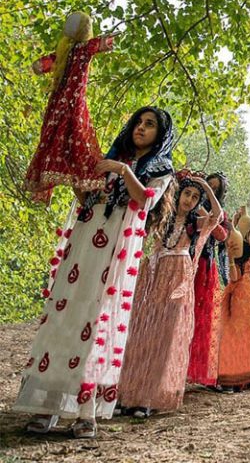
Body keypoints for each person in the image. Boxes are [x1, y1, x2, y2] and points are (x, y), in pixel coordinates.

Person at [14, 106, 175, 439]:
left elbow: (143, 201)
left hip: (115, 253)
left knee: (96, 320)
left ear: (160, 134)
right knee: (67, 317)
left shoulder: (160, 168)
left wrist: (122, 170)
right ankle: (49, 407)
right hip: (85, 245)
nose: (141, 129)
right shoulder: (110, 158)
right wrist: (75, 174)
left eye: (149, 125)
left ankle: (86, 414)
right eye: (138, 123)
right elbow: (86, 194)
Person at [118, 174, 222, 417]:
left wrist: (206, 187)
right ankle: (128, 394)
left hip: (177, 276)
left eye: (195, 197)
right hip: (153, 274)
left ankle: (148, 399)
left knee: (164, 337)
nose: (190, 200)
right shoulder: (162, 216)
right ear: (179, 194)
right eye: (187, 194)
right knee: (142, 333)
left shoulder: (195, 224)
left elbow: (217, 217)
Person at [24, 12, 114, 204]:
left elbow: (104, 44)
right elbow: (38, 67)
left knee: (77, 144)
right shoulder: (62, 53)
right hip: (59, 107)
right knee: (62, 143)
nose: (69, 27)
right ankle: (86, 195)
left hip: (72, 105)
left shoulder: (83, 49)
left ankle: (90, 192)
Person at [187, 172, 229, 387]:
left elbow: (222, 235)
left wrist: (205, 213)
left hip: (205, 264)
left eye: (215, 188)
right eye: (207, 186)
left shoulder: (221, 213)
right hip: (184, 260)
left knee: (201, 318)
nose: (209, 189)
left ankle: (196, 370)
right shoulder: (187, 204)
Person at [217, 225, 250, 389]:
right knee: (231, 338)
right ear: (247, 237)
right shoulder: (241, 255)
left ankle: (241, 380)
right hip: (236, 301)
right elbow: (234, 278)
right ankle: (227, 380)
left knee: (247, 340)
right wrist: (232, 258)